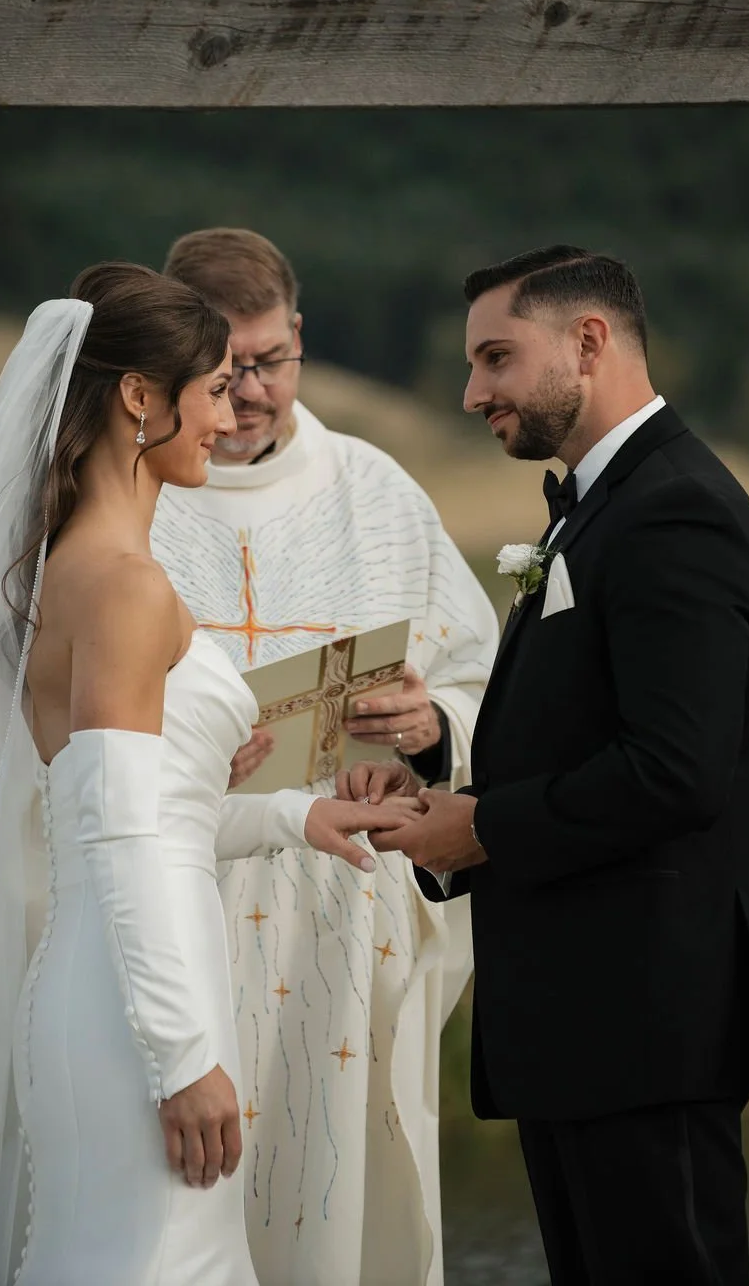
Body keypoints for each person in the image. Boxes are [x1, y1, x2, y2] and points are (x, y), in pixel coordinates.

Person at [0, 262, 412, 1286]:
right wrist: (178, 1056)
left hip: (116, 981)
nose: (226, 412)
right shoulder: (120, 586)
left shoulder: (77, 569)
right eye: (210, 387)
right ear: (136, 397)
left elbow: (151, 814)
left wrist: (300, 818)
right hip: (137, 1011)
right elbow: (120, 837)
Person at [354, 245, 749, 1286]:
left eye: (497, 358)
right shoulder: (598, 506)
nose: (471, 393)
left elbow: (677, 772)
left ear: (588, 342)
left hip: (647, 1021)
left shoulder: (673, 510)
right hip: (589, 1024)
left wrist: (487, 829)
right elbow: (582, 737)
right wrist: (441, 799)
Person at [150, 229, 499, 1286]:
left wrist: (429, 723)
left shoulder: (376, 491)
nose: (250, 393)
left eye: (271, 360)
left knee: (335, 1193)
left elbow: (480, 675)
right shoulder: (132, 495)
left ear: (299, 336)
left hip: (343, 912)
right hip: (182, 899)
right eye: (225, 370)